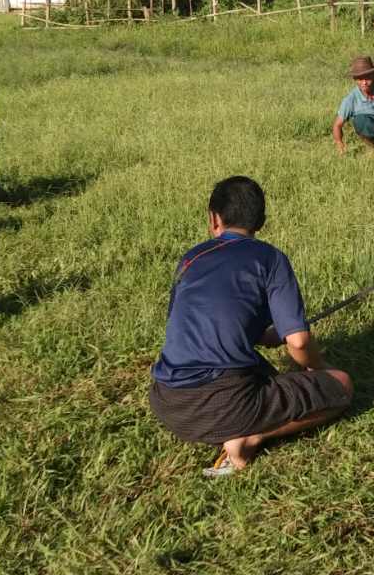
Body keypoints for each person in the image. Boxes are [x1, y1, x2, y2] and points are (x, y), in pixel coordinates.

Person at [149, 176, 353, 478]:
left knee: (263, 373)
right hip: (226, 405)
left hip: (166, 402)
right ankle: (249, 437)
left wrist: (262, 335)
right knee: (342, 384)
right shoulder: (270, 259)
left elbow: (193, 321)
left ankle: (238, 421)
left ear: (214, 218)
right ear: (261, 221)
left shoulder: (191, 258)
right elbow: (298, 342)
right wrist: (318, 367)